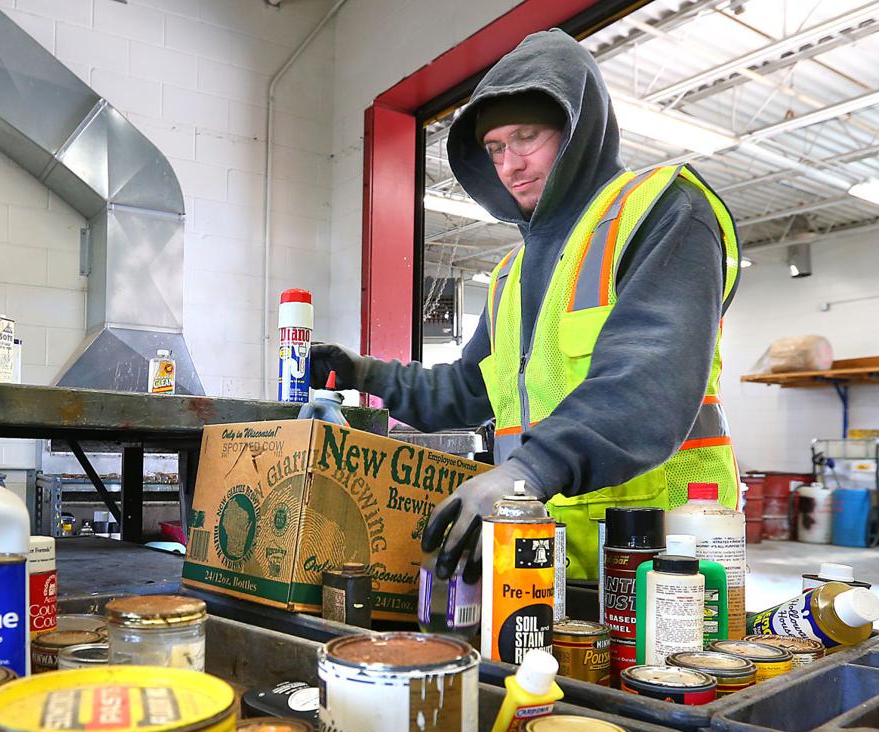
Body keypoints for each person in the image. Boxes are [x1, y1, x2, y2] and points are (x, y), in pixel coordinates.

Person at [313, 28, 740, 582]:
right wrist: (365, 371)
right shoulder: (510, 275)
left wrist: (528, 472)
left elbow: (647, 380)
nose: (510, 164)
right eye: (494, 148)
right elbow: (469, 390)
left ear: (577, 129)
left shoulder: (663, 210)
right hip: (540, 557)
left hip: (662, 558)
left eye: (527, 135)